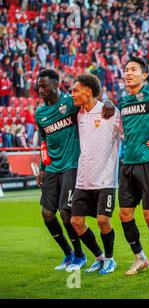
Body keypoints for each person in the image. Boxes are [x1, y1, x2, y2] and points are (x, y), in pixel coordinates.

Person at [34, 69, 115, 272]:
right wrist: (43, 167)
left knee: (65, 212)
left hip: (72, 165)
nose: (40, 89)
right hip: (52, 167)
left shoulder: (70, 103)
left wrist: (108, 102)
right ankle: (68, 253)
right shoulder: (40, 113)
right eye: (38, 86)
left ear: (56, 85)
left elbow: (91, 100)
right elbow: (44, 141)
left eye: (44, 86)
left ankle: (81, 256)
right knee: (47, 214)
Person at [117, 57, 149, 277]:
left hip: (148, 162)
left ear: (144, 75)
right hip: (127, 163)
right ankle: (140, 258)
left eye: (133, 70)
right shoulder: (122, 101)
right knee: (124, 215)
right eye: (126, 70)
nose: (128, 73)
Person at [70, 74, 120, 275]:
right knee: (76, 222)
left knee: (102, 221)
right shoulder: (79, 114)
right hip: (83, 179)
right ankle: (99, 258)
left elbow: (127, 134)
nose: (72, 94)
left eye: (76, 90)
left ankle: (110, 259)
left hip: (106, 179)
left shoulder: (109, 112)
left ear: (88, 91)